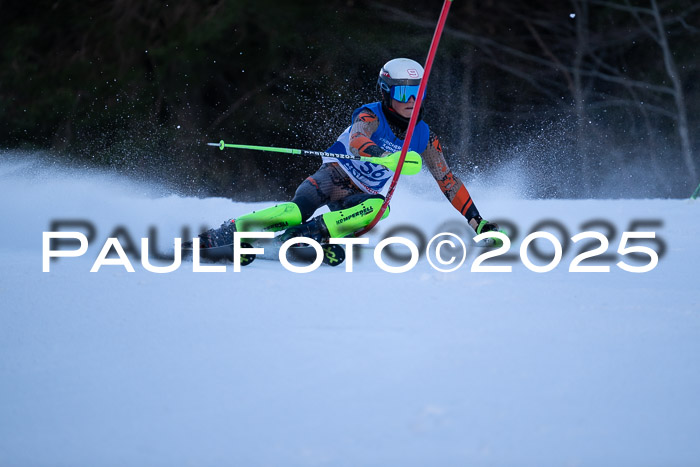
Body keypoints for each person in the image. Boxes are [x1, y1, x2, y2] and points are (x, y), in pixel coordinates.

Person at [195, 57, 500, 249]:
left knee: (380, 209)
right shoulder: (371, 115)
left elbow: (447, 180)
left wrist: (478, 222)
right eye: (404, 93)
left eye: (418, 92)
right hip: (333, 177)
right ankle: (231, 230)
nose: (412, 101)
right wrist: (384, 156)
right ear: (386, 92)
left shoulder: (425, 137)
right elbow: (357, 141)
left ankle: (312, 233)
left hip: (360, 197)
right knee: (293, 211)